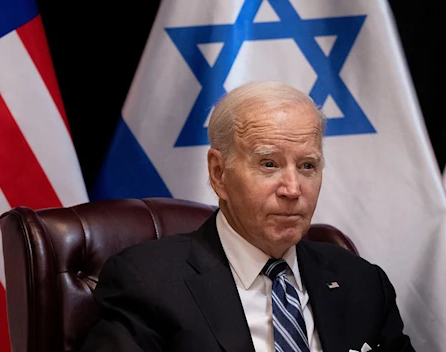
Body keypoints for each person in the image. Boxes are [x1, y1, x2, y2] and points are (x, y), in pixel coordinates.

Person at [80, 81, 414, 352]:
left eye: (307, 166)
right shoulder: (149, 282)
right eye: (269, 164)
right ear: (219, 172)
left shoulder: (362, 282)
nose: (292, 189)